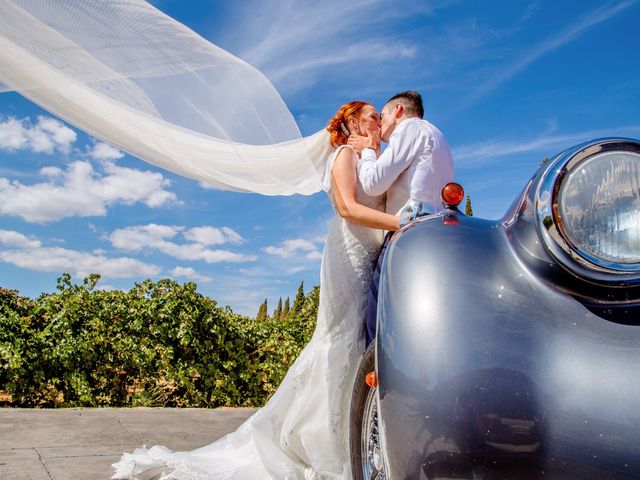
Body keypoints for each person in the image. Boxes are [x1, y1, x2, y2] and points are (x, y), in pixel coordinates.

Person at [112, 101, 399, 480]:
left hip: (369, 252)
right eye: (373, 116)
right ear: (351, 122)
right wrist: (400, 221)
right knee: (339, 339)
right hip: (349, 252)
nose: (379, 121)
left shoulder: (368, 157)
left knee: (353, 339)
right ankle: (321, 441)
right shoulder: (345, 154)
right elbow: (347, 207)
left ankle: (348, 428)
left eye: (381, 116)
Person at [348, 91, 454, 345]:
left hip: (407, 234)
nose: (380, 123)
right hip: (436, 233)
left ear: (398, 111)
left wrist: (368, 152)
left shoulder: (409, 130)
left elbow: (373, 184)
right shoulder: (438, 136)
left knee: (380, 321)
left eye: (381, 116)